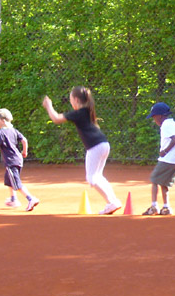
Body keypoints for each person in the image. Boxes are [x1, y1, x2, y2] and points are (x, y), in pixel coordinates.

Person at [42, 86, 122, 215]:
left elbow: (56, 118)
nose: (71, 102)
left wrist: (48, 106)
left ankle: (111, 202)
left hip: (95, 146)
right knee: (98, 176)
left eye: (71, 100)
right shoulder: (87, 111)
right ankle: (113, 201)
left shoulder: (79, 113)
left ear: (76, 99)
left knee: (92, 178)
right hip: (103, 144)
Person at [0, 108, 40, 211]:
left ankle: (31, 199)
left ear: (3, 120)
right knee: (9, 180)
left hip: (11, 161)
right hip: (17, 160)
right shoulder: (14, 131)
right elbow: (24, 140)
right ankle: (14, 199)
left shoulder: (0, 133)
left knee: (16, 183)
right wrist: (24, 151)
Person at [142, 102, 175, 216]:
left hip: (168, 159)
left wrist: (165, 151)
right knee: (164, 183)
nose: (154, 120)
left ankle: (154, 207)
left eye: (154, 117)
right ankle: (166, 207)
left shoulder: (165, 125)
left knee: (154, 180)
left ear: (160, 116)